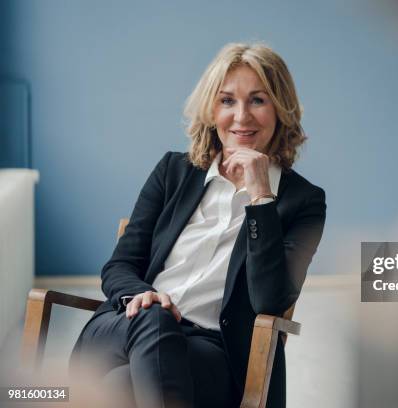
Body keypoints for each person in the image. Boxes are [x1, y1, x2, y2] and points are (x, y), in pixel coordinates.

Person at [69, 42, 326, 408]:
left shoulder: (302, 201)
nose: (242, 117)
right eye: (227, 101)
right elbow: (120, 265)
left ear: (281, 109)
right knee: (154, 320)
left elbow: (270, 298)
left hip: (209, 350)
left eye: (258, 100)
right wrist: (140, 296)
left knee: (122, 385)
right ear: (210, 109)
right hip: (125, 325)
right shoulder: (173, 171)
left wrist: (262, 199)